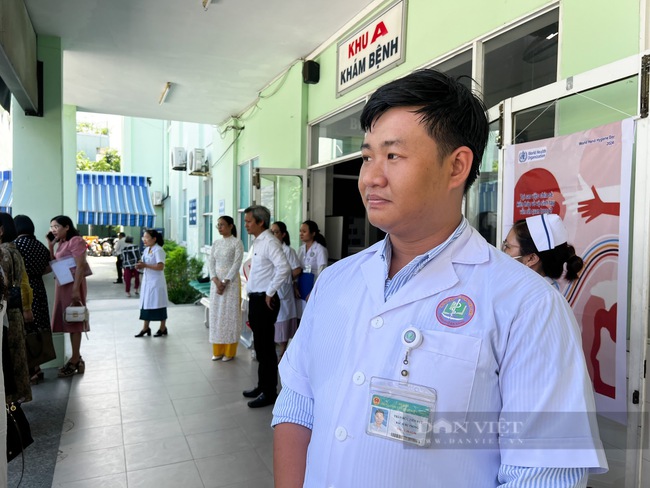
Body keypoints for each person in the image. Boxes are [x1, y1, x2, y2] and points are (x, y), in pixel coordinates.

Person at [272, 69, 607, 487]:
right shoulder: (335, 282)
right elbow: (298, 403)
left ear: (456, 167)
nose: (370, 177)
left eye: (392, 156)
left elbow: (543, 474)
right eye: (367, 156)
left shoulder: (527, 304)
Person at [242, 205, 290, 408]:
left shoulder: (270, 241)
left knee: (267, 348)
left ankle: (270, 392)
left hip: (265, 300)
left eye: (249, 221)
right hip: (256, 299)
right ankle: (262, 386)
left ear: (260, 222)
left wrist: (270, 292)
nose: (245, 225)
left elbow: (284, 267)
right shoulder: (258, 243)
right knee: (260, 347)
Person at [48, 215, 89, 378]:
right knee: (68, 320)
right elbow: (54, 263)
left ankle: (75, 359)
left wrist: (75, 290)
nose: (53, 230)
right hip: (62, 284)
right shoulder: (61, 243)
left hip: (73, 286)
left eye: (56, 227)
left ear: (66, 227)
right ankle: (76, 358)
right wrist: (51, 246)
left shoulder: (76, 241)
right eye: (51, 227)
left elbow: (80, 265)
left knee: (75, 320)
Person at [14, 214, 53, 383]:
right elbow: (49, 266)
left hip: (24, 290)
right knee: (39, 329)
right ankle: (38, 366)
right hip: (39, 289)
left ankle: (31, 370)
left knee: (26, 330)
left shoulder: (15, 246)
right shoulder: (40, 246)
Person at [502, 213, 584, 290]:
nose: (503, 250)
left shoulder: (536, 297)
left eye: (507, 246)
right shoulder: (534, 288)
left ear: (531, 258)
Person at [0, 212, 33, 402]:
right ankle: (20, 396)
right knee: (18, 355)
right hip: (16, 309)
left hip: (7, 311)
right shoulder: (14, 249)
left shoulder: (3, 252)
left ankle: (12, 399)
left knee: (10, 358)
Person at [208, 216, 244, 361]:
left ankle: (229, 352)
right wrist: (215, 280)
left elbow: (237, 264)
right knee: (216, 316)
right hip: (216, 285)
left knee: (230, 316)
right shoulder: (216, 243)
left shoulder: (237, 243)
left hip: (231, 284)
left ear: (230, 226)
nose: (220, 227)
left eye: (222, 225)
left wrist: (225, 281)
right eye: (218, 225)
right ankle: (217, 350)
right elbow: (211, 262)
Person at [270, 222, 301, 360]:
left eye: (276, 232)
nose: (273, 235)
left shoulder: (288, 251)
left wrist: (284, 278)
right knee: (273, 322)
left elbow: (297, 269)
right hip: (271, 290)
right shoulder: (269, 250)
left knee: (283, 322)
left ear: (283, 234)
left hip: (284, 290)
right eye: (271, 232)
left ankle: (282, 354)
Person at [134, 229, 169, 337]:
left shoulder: (158, 250)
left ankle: (163, 328)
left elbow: (160, 266)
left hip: (156, 283)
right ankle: (145, 328)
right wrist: (140, 265)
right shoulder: (147, 249)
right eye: (143, 237)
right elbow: (144, 262)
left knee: (159, 304)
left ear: (154, 239)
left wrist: (145, 265)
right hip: (147, 282)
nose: (144, 239)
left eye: (147, 237)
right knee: (146, 305)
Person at [296, 220, 327, 308]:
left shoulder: (320, 249)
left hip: (312, 284)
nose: (301, 234)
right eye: (300, 231)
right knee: (300, 314)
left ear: (313, 233)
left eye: (304, 231)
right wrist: (295, 286)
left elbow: (322, 272)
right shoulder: (300, 249)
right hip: (301, 284)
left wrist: (314, 291)